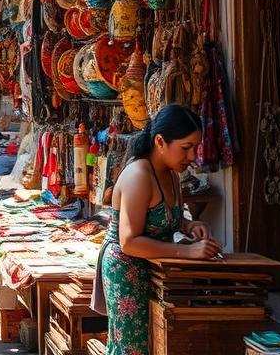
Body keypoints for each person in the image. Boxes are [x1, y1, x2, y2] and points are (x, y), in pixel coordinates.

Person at [93, 104, 221, 355]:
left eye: (196, 147)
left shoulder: (172, 174)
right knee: (132, 348)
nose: (193, 156)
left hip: (151, 268)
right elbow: (129, 241)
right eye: (186, 147)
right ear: (160, 141)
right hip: (126, 269)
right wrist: (189, 252)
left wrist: (191, 225)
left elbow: (165, 217)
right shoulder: (139, 175)